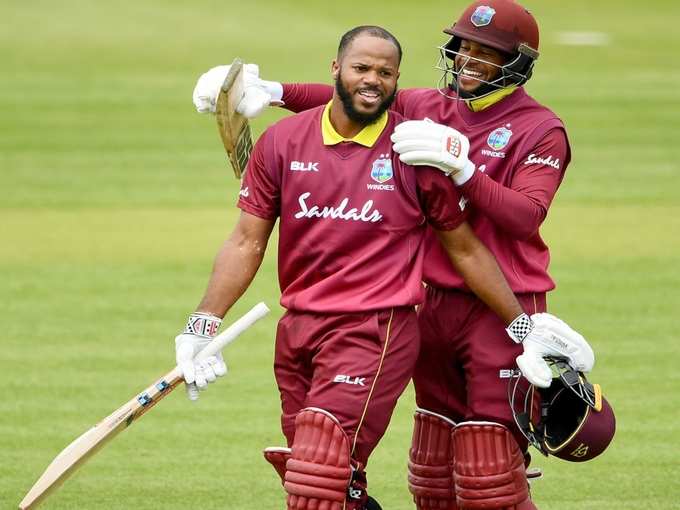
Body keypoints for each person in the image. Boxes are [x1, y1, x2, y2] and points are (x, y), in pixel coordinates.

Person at [190, 2, 599, 509]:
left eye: (486, 53)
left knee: (488, 469)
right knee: (432, 468)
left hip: (500, 301)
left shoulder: (540, 129)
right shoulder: (429, 106)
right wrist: (273, 93)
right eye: (464, 47)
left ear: (516, 62)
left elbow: (525, 217)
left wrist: (464, 171)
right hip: (429, 302)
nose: (469, 61)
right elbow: (359, 96)